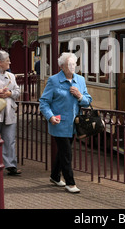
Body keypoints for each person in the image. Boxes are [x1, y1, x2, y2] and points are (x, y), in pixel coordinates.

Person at [39, 52, 92, 193]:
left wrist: (80, 96)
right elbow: (44, 102)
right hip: (59, 123)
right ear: (62, 66)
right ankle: (70, 183)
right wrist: (50, 117)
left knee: (63, 152)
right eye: (69, 64)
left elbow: (88, 100)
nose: (72, 67)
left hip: (74, 124)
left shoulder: (80, 80)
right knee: (67, 154)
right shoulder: (53, 80)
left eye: (74, 64)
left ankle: (55, 176)